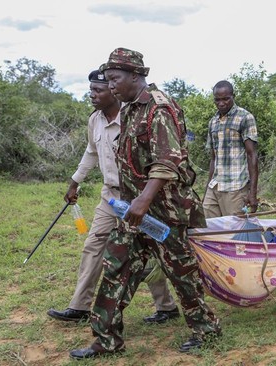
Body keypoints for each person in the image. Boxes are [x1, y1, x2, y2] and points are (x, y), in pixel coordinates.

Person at [69, 48, 220, 359]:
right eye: (108, 80)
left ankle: (205, 328)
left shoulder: (159, 109)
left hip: (166, 211)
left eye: (114, 79)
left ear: (135, 76)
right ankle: (106, 340)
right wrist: (129, 202)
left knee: (182, 273)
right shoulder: (129, 110)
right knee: (116, 266)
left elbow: (168, 161)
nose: (110, 86)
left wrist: (143, 200)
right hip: (134, 211)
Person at [47, 70, 180, 325]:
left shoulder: (133, 116)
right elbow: (91, 152)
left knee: (149, 250)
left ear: (111, 89)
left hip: (139, 196)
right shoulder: (94, 120)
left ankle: (166, 307)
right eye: (91, 90)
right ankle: (79, 306)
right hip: (109, 197)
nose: (92, 95)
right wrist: (75, 182)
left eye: (98, 90)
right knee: (93, 246)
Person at [203, 80, 258, 217]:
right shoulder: (213, 122)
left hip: (236, 187)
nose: (221, 103)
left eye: (226, 99)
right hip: (215, 185)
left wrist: (252, 193)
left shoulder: (245, 117)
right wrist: (207, 188)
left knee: (234, 231)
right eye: (217, 100)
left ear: (233, 96)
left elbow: (252, 155)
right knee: (207, 227)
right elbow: (213, 158)